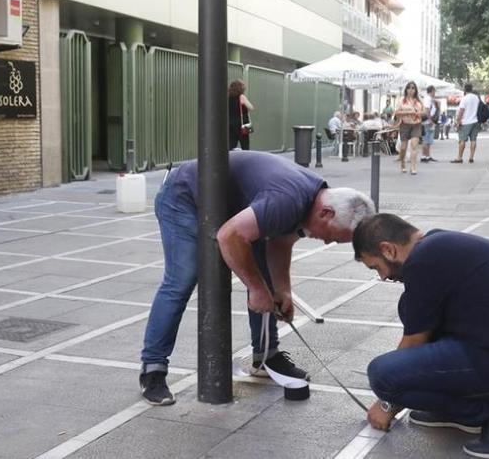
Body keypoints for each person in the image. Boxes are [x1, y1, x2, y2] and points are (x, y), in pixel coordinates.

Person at [139, 151, 375, 406]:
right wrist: (255, 288)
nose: (328, 241)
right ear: (326, 214)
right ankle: (153, 370)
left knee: (265, 281)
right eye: (333, 236)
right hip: (184, 196)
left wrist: (282, 291)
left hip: (232, 208)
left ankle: (265, 356)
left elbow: (281, 242)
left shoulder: (314, 199)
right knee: (181, 280)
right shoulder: (287, 199)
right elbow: (229, 236)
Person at [352, 214, 489, 458]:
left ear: (388, 249)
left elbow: (414, 343)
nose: (383, 277)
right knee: (408, 306)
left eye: (376, 267)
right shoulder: (436, 245)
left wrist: (386, 402)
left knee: (383, 374)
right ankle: (458, 412)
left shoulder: (424, 260)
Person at [390, 81, 423, 175]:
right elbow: (396, 112)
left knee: (414, 145)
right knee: (403, 147)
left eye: (413, 88)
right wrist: (408, 113)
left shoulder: (419, 101)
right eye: (409, 88)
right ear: (406, 89)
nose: (411, 90)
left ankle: (413, 167)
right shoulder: (402, 100)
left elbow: (424, 111)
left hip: (416, 124)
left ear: (415, 90)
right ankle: (402, 163)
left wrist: (419, 113)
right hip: (404, 124)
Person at [452, 84, 481, 164]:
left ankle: (459, 158)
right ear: (472, 89)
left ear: (464, 89)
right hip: (475, 121)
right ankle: (471, 157)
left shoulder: (465, 98)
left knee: (462, 140)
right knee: (473, 140)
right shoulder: (476, 98)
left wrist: (458, 122)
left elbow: (461, 111)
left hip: (465, 122)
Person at [228, 80, 254, 151]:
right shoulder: (241, 97)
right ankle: (245, 160)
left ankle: (230, 160)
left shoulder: (228, 96)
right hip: (243, 124)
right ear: (240, 88)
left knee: (231, 145)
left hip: (230, 123)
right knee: (245, 145)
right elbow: (251, 107)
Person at [420, 86, 439, 163]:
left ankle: (427, 156)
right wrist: (430, 120)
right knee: (426, 139)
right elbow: (427, 110)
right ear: (431, 91)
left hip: (428, 122)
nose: (435, 93)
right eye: (434, 91)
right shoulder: (427, 99)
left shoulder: (429, 99)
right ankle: (424, 156)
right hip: (427, 122)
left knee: (428, 140)